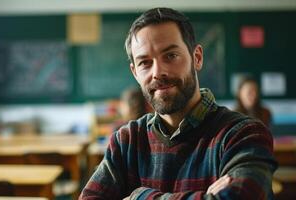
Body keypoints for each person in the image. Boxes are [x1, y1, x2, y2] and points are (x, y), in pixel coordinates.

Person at [80, 7, 277, 200]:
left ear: (197, 58)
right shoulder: (127, 141)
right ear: (135, 73)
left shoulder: (243, 134)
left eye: (170, 56)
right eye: (145, 63)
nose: (157, 72)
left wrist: (139, 196)